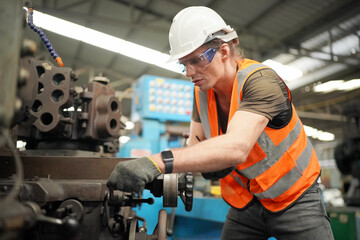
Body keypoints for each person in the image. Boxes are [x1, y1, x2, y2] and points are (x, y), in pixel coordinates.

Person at [107, 6, 334, 240]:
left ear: (224, 51)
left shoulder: (262, 82)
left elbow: (237, 147)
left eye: (196, 60)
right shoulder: (202, 92)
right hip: (245, 204)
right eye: (183, 64)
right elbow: (194, 148)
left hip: (295, 198)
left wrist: (157, 162)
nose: (189, 72)